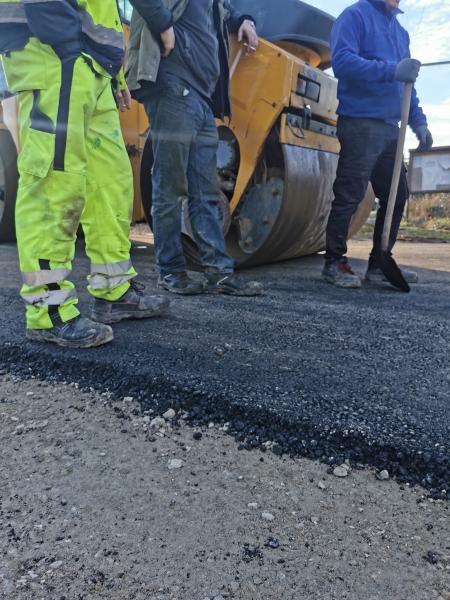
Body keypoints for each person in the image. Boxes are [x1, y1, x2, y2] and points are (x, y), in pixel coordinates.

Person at [0, 0, 170, 348]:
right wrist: (62, 38)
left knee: (111, 183)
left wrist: (115, 73)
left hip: (94, 66)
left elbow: (102, 10)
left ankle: (114, 290)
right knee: (55, 180)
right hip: (53, 51)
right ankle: (47, 308)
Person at [126, 0, 262, 296]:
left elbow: (224, 11)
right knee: (169, 184)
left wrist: (244, 21)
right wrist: (163, 25)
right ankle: (171, 270)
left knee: (206, 190)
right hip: (174, 85)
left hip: (202, 97)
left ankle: (219, 272)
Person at [322, 0, 433, 288]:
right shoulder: (354, 16)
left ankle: (379, 263)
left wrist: (418, 121)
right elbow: (342, 62)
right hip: (360, 122)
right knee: (350, 195)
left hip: (390, 126)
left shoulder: (400, 32)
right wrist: (392, 70)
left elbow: (406, 84)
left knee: (397, 195)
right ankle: (334, 262)